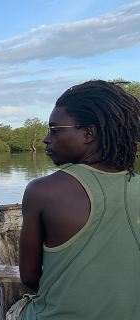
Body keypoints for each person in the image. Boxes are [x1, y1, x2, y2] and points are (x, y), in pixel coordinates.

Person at [12, 80, 140, 319]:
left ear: (88, 133)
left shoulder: (43, 191)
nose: (46, 139)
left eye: (54, 129)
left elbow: (29, 277)